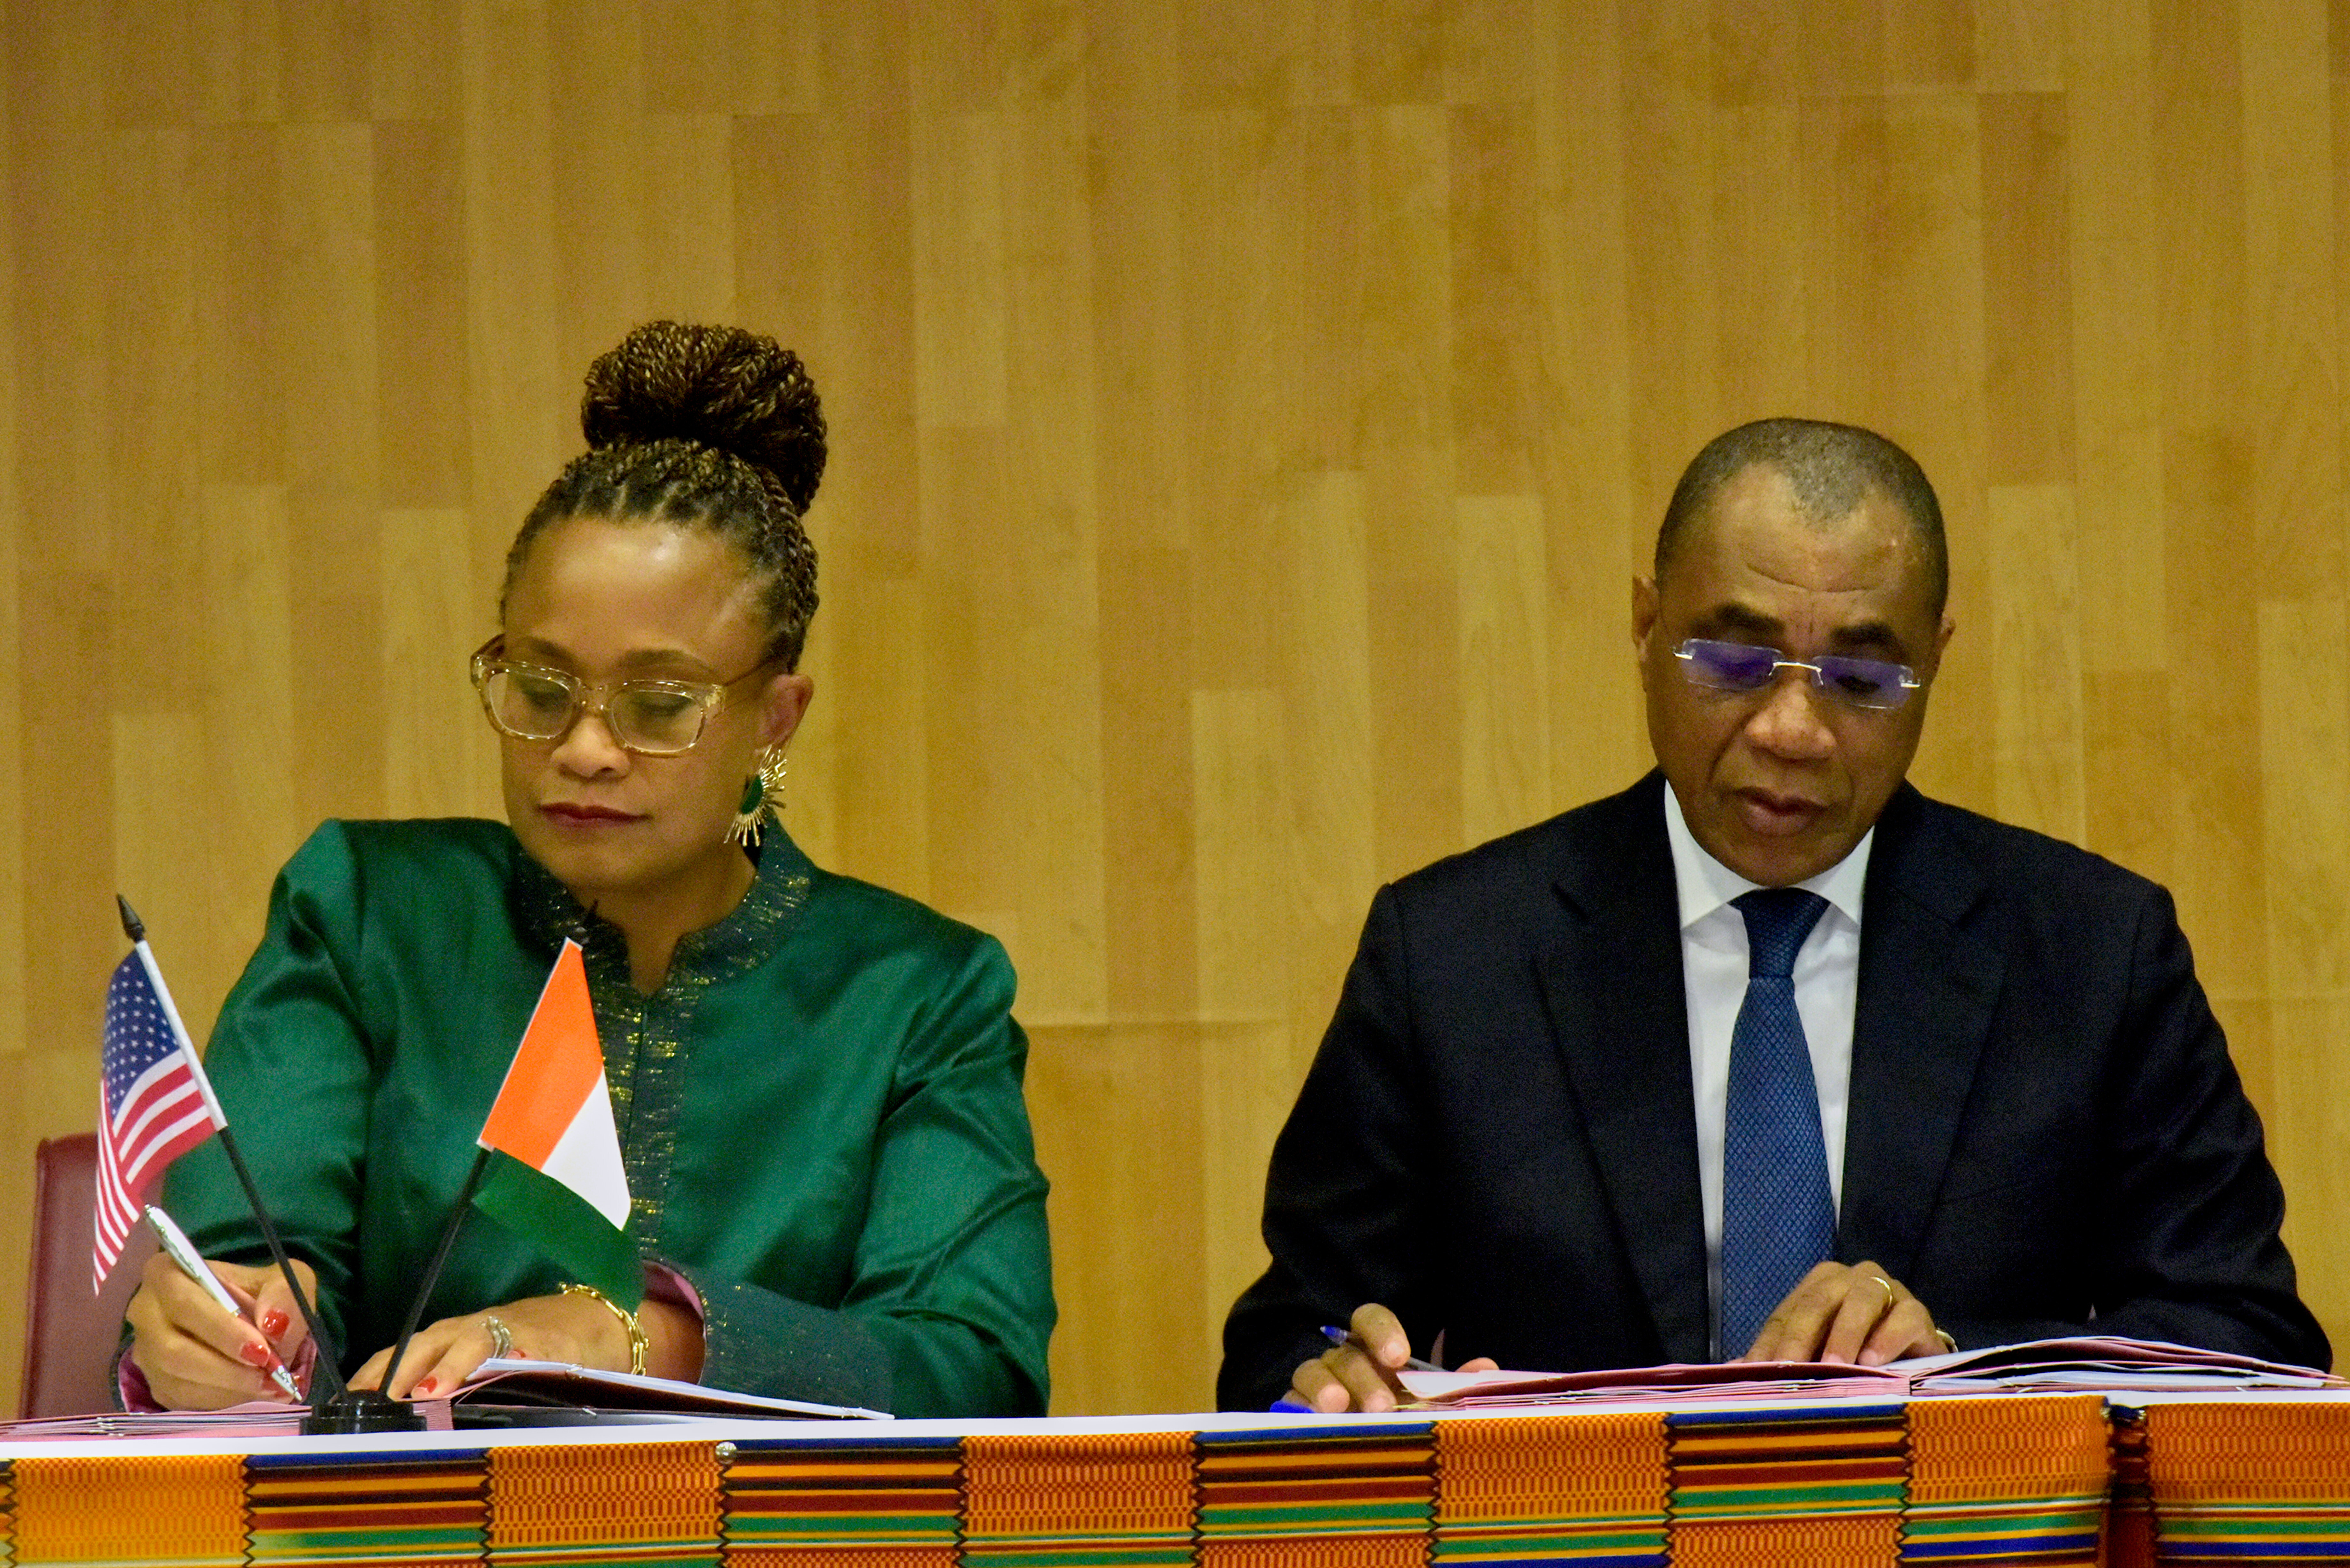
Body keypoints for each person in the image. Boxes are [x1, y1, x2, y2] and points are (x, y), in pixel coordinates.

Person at [1218, 418, 2330, 1414]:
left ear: (1936, 662)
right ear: (1646, 626)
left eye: (1861, 679)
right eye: (1736, 660)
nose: (1793, 729)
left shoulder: (2093, 955)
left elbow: (2249, 1346)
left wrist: (1951, 1362)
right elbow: (1288, 1351)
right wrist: (1338, 1382)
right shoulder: (1454, 958)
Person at [125, 321, 1055, 1419]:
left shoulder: (916, 994)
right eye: (541, 685)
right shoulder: (369, 916)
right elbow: (247, 1258)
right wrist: (215, 1335)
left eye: (660, 703)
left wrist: (651, 1334)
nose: (584, 747)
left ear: (776, 719)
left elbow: (976, 1371)